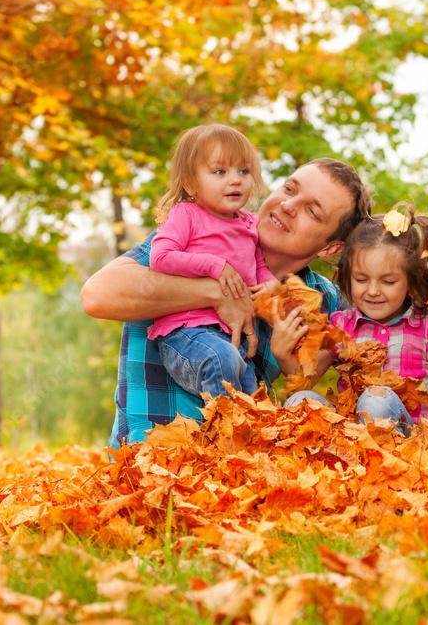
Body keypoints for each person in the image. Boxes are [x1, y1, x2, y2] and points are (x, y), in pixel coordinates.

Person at [80, 156, 373, 449]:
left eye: (311, 210)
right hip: (149, 465)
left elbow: (390, 339)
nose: (287, 206)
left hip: (236, 475)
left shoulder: (322, 301)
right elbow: (97, 294)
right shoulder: (201, 230)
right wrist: (216, 292)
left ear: (331, 247)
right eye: (289, 189)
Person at [271, 206, 428, 436]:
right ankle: (330, 463)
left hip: (407, 438)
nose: (372, 291)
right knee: (300, 400)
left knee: (376, 398)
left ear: (412, 279)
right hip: (351, 438)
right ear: (348, 276)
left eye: (388, 282)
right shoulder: (343, 326)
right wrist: (282, 355)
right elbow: (306, 377)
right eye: (361, 279)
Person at [148, 124, 276, 400]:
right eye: (220, 171)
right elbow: (160, 257)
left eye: (244, 171)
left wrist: (271, 286)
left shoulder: (248, 224)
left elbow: (258, 266)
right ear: (190, 183)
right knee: (222, 360)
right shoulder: (186, 214)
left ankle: (233, 439)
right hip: (188, 333)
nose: (235, 180)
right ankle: (221, 433)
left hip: (233, 336)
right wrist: (214, 265)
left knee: (252, 402)